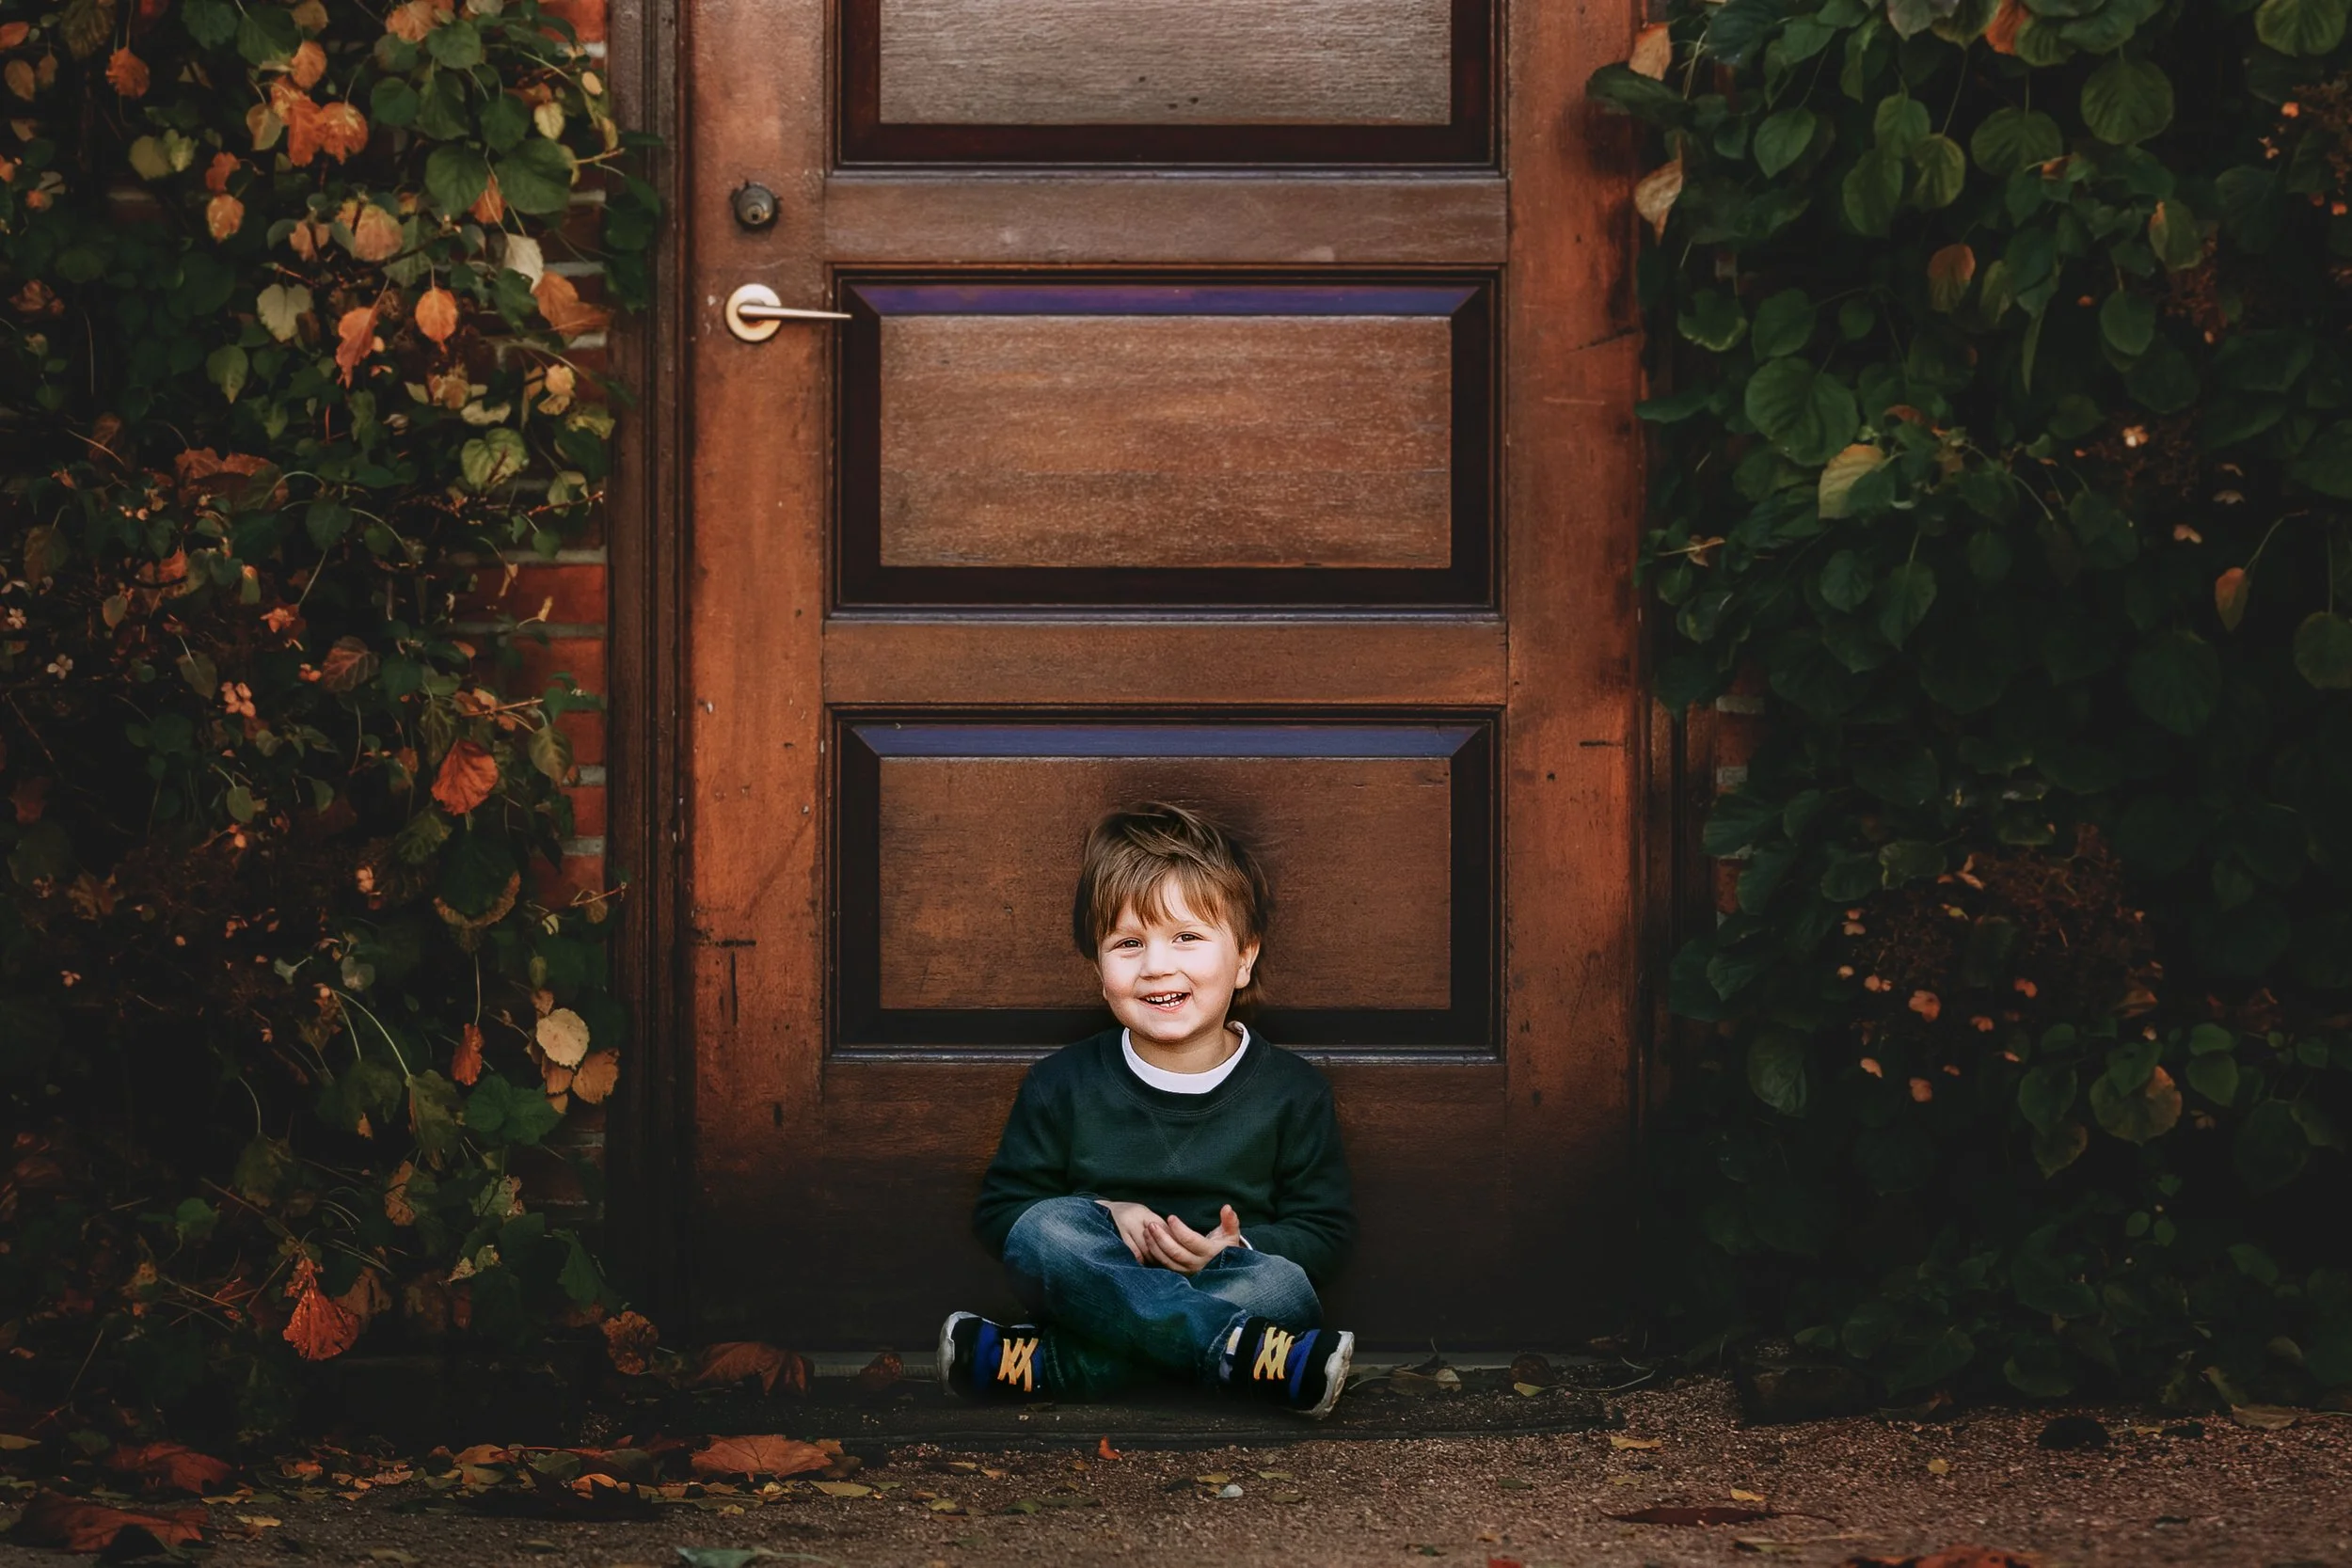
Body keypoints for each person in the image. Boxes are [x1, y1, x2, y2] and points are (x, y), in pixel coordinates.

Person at [938, 801, 1358, 1418]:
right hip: (1101, 1286)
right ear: (1098, 966)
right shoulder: (1062, 1083)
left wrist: (1232, 1247)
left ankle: (1046, 1364)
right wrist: (1103, 1213)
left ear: (1244, 957)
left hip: (1227, 1282)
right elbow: (1003, 1216)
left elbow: (1325, 1232)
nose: (1158, 965)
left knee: (1283, 1286)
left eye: (1187, 936)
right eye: (1129, 942)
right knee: (1043, 1231)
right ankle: (1234, 1352)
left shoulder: (1292, 1091)